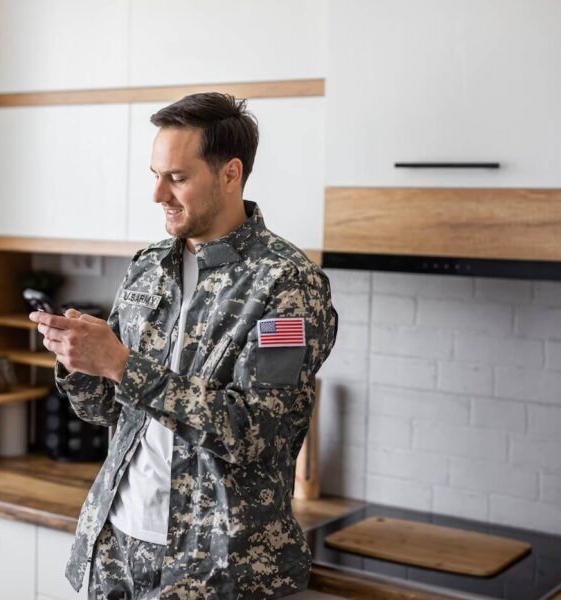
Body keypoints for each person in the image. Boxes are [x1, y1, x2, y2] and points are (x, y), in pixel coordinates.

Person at [30, 92, 338, 599]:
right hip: (115, 551)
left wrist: (122, 365)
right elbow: (107, 412)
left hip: (217, 572)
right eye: (155, 174)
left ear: (230, 173)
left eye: (176, 177)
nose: (158, 194)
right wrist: (80, 360)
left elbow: (257, 434)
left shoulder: (287, 284)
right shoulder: (148, 265)